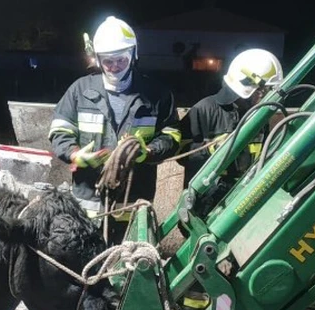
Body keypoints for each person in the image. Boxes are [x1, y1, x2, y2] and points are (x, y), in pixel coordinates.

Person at [49, 16, 182, 242]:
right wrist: (75, 154)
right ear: (98, 59)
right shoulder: (79, 91)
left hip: (133, 203)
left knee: (129, 266)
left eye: (120, 60)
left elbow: (172, 135)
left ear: (133, 55)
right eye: (108, 61)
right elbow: (60, 131)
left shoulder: (157, 94)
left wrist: (147, 152)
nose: (114, 67)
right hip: (88, 207)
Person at [181, 48, 284, 210]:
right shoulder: (204, 109)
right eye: (263, 91)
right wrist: (211, 149)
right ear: (247, 85)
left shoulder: (259, 115)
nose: (266, 96)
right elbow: (181, 153)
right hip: (206, 203)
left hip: (244, 200)